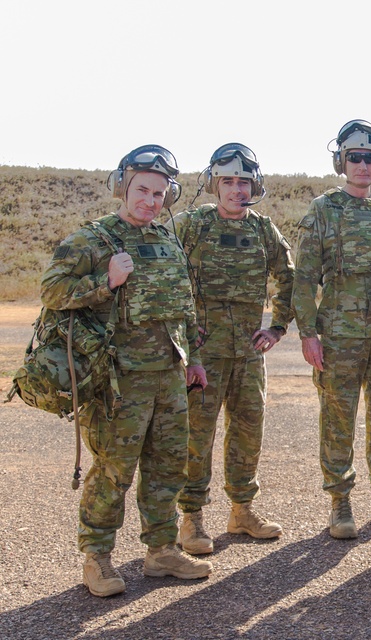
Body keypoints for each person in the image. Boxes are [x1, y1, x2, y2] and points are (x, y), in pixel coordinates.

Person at [40, 145, 212, 597]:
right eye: (141, 190)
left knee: (168, 466)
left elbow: (185, 308)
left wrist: (192, 359)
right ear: (123, 187)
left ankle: (160, 550)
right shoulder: (93, 239)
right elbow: (52, 291)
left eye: (159, 193)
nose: (150, 200)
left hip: (169, 377)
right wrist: (105, 281)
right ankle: (97, 557)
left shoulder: (168, 238)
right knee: (114, 470)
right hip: (119, 381)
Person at [293, 120, 371, 539]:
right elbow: (304, 278)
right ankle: (340, 502)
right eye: (355, 158)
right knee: (338, 419)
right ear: (341, 161)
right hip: (339, 337)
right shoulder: (323, 210)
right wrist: (308, 334)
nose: (363, 165)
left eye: (370, 158)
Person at [173, 143, 295, 554]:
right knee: (197, 438)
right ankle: (190, 519)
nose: (237, 189)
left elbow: (289, 275)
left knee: (247, 434)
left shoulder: (263, 230)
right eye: (228, 181)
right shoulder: (191, 226)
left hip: (247, 354)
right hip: (202, 356)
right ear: (213, 184)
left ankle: (241, 510)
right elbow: (164, 277)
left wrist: (277, 327)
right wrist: (183, 338)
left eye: (244, 181)